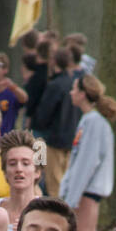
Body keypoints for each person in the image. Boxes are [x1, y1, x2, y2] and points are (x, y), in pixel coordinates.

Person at [58, 74, 116, 231]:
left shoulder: (93, 122)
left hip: (87, 188)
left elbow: (87, 161)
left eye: (75, 89)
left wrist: (72, 196)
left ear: (83, 94)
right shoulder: (91, 120)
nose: (71, 93)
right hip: (91, 188)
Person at [32, 47, 81, 197]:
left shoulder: (55, 85)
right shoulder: (74, 84)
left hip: (53, 140)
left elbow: (43, 115)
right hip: (71, 139)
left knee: (54, 185)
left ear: (54, 62)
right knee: (66, 182)